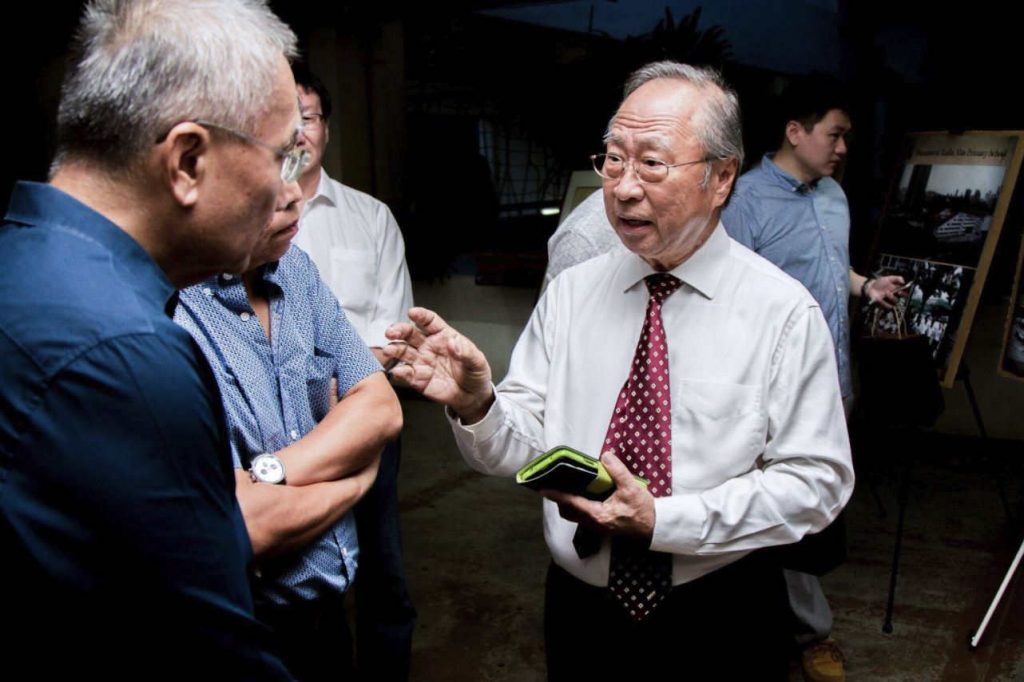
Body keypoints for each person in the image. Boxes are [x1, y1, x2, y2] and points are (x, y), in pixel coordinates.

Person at [385, 61, 854, 680]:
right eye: (613, 160)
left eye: (652, 163)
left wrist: (665, 521)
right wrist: (480, 405)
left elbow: (817, 481)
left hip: (722, 608)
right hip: (581, 609)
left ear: (721, 178)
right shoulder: (572, 293)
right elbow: (526, 449)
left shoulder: (783, 312)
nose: (624, 187)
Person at [0, 0, 301, 677]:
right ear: (188, 160)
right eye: (282, 155)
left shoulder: (27, 262)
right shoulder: (125, 350)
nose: (287, 190)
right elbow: (209, 651)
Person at [175, 176, 402, 681]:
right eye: (270, 165)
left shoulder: (295, 270)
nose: (295, 192)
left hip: (326, 610)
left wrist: (269, 475)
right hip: (240, 631)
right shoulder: (172, 309)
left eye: (292, 162)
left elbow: (381, 408)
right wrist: (356, 477)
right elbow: (247, 524)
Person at [721, 76, 904, 682]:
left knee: (815, 512)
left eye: (847, 136)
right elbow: (726, 298)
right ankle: (803, 633)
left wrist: (864, 286)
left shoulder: (833, 195)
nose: (843, 148)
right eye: (835, 134)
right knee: (775, 509)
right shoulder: (744, 202)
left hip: (836, 382)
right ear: (795, 132)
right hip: (772, 392)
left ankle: (793, 627)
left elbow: (829, 265)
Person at [291, 64, 417, 680]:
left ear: (326, 128)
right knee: (300, 576)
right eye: (283, 119)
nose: (297, 133)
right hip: (281, 431)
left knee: (381, 566)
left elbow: (396, 327)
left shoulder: (370, 217)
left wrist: (344, 384)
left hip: (366, 416)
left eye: (308, 118)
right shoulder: (248, 219)